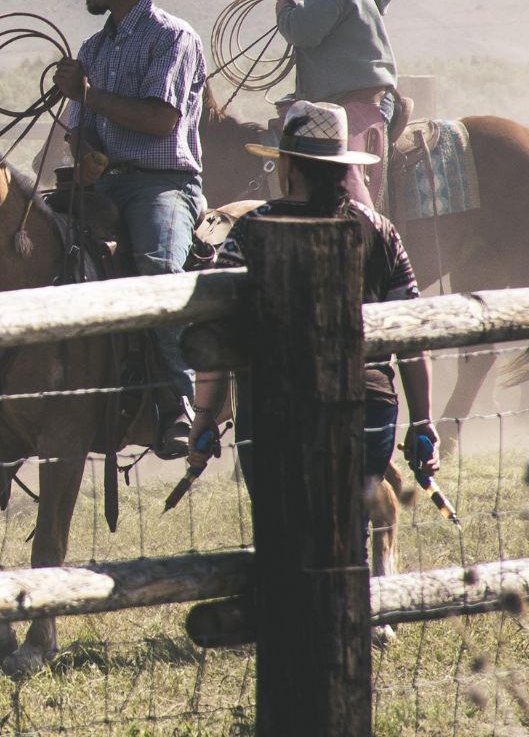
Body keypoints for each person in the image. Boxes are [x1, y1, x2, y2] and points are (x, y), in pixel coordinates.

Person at [186, 101, 438, 543]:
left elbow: (218, 331)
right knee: (351, 535)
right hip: (369, 410)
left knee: (282, 537)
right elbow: (412, 336)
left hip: (271, 414)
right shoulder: (382, 232)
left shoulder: (249, 231)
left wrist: (204, 415)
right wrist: (422, 423)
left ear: (287, 166)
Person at [49, 0, 208, 457]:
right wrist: (85, 149)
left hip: (163, 185)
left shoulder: (173, 37)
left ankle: (176, 402)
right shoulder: (94, 48)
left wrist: (88, 95)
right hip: (106, 185)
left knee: (159, 271)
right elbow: (80, 128)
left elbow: (162, 120)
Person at [273, 0, 397, 208]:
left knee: (341, 179)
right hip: (376, 98)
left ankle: (363, 228)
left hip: (350, 104)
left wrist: (284, 11)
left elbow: (302, 32)